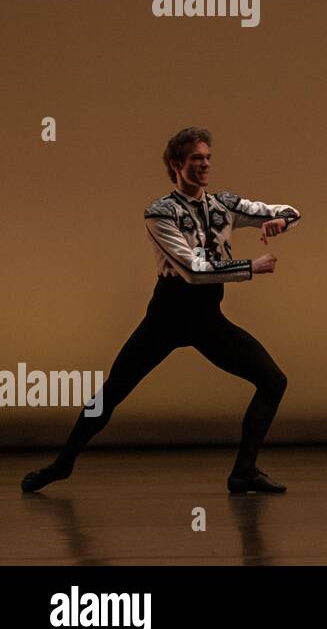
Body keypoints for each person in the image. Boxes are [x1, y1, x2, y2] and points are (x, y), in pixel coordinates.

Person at [21, 127, 299, 494]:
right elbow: (192, 270)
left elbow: (290, 210)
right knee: (111, 393)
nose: (204, 164)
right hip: (168, 316)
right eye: (196, 158)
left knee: (273, 381)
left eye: (207, 158)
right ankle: (63, 463)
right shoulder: (160, 213)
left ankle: (244, 471)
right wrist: (252, 267)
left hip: (206, 319)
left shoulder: (224, 205)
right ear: (176, 165)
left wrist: (280, 220)